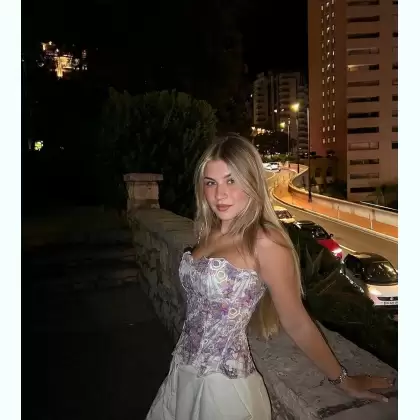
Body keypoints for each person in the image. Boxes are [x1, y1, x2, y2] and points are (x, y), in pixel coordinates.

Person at [146, 135, 393, 420]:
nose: (220, 194)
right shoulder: (208, 230)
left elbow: (296, 320)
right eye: (211, 183)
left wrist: (343, 380)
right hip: (182, 371)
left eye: (231, 181)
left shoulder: (265, 241)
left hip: (223, 387)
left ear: (252, 181)